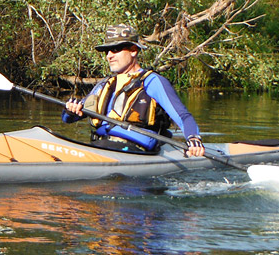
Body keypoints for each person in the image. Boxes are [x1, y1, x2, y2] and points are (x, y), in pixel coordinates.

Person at [62, 24, 205, 156]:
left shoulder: (152, 82)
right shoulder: (105, 84)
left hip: (134, 149)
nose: (109, 55)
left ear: (133, 51)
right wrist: (70, 111)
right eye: (107, 51)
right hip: (101, 145)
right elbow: (68, 118)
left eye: (116, 49)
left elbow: (183, 116)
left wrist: (193, 138)